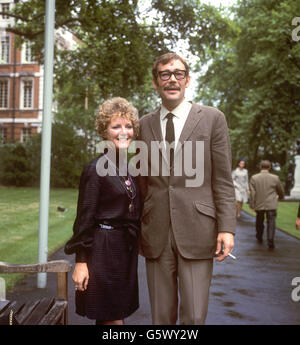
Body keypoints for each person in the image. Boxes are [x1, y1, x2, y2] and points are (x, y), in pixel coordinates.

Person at [138, 52, 236, 325]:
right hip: (155, 231)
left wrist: (226, 228)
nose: (172, 79)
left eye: (178, 74)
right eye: (165, 74)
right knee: (160, 318)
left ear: (187, 80)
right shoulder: (143, 124)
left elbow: (223, 179)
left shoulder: (213, 118)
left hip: (198, 230)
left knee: (193, 316)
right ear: (156, 82)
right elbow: (141, 181)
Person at [64, 97, 141, 325]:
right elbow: (84, 218)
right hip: (103, 251)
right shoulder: (96, 170)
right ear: (104, 132)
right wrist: (81, 261)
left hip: (123, 250)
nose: (123, 132)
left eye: (128, 126)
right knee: (112, 318)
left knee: (115, 315)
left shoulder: (127, 168)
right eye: (116, 126)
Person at [249, 160, 284, 249]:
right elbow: (280, 190)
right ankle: (270, 240)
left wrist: (252, 204)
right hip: (271, 203)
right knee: (271, 222)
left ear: (260, 167)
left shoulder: (254, 178)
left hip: (259, 203)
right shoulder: (275, 178)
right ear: (269, 167)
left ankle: (259, 236)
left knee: (259, 221)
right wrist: (281, 197)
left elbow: (253, 193)